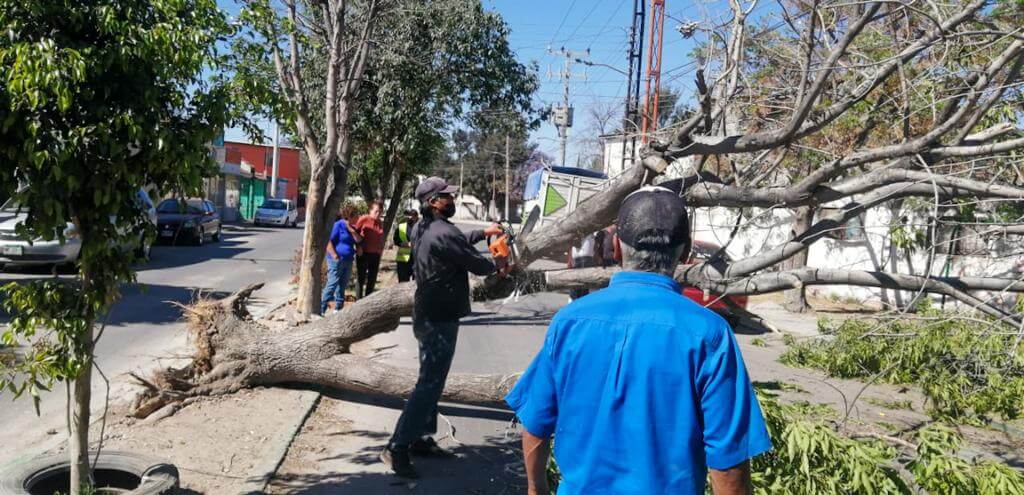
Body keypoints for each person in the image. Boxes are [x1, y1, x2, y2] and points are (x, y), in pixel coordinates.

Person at [506, 186, 771, 495]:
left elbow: (536, 424)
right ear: (684, 253)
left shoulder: (571, 321)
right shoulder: (709, 333)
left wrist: (536, 489)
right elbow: (728, 464)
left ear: (616, 247)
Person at [380, 177, 506, 479]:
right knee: (430, 385)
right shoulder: (443, 232)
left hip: (427, 313)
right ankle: (396, 446)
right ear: (432, 202)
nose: (452, 199)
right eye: (446, 197)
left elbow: (457, 240)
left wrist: (484, 232)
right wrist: (499, 260)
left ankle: (421, 439)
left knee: (431, 380)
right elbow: (478, 265)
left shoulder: (422, 227)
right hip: (439, 317)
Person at [321, 204, 362, 314]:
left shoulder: (353, 228)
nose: (358, 218)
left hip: (348, 260)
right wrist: (334, 255)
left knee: (342, 285)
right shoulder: (337, 225)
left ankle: (338, 309)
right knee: (332, 284)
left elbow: (358, 240)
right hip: (336, 260)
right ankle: (321, 308)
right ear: (350, 216)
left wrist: (352, 230)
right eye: (356, 215)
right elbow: (327, 241)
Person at [355, 201, 385, 298]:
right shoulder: (363, 219)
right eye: (376, 211)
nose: (378, 214)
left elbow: (380, 236)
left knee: (372, 279)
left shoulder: (380, 222)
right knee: (361, 279)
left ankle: (368, 299)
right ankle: (358, 301)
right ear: (370, 210)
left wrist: (380, 250)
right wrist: (358, 247)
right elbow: (355, 234)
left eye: (380, 212)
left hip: (375, 254)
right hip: (363, 253)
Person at [566, 232, 598, 301]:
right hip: (581, 259)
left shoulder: (590, 233)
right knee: (578, 288)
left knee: (580, 288)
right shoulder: (581, 231)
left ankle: (574, 304)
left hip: (584, 259)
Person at [393, 209, 419, 283]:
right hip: (403, 259)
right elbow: (395, 240)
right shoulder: (401, 227)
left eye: (413, 216)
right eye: (409, 216)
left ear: (416, 217)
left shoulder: (421, 227)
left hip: (416, 259)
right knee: (402, 283)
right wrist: (402, 244)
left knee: (416, 284)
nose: (410, 218)